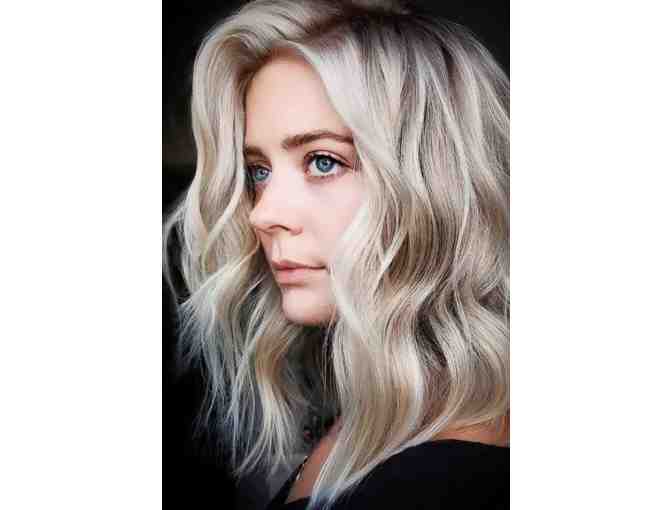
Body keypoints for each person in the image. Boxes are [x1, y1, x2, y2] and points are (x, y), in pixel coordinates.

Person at [163, 0, 510, 508]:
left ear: (436, 184)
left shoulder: (448, 478)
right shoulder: (363, 417)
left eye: (322, 161)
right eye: (259, 171)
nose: (262, 214)